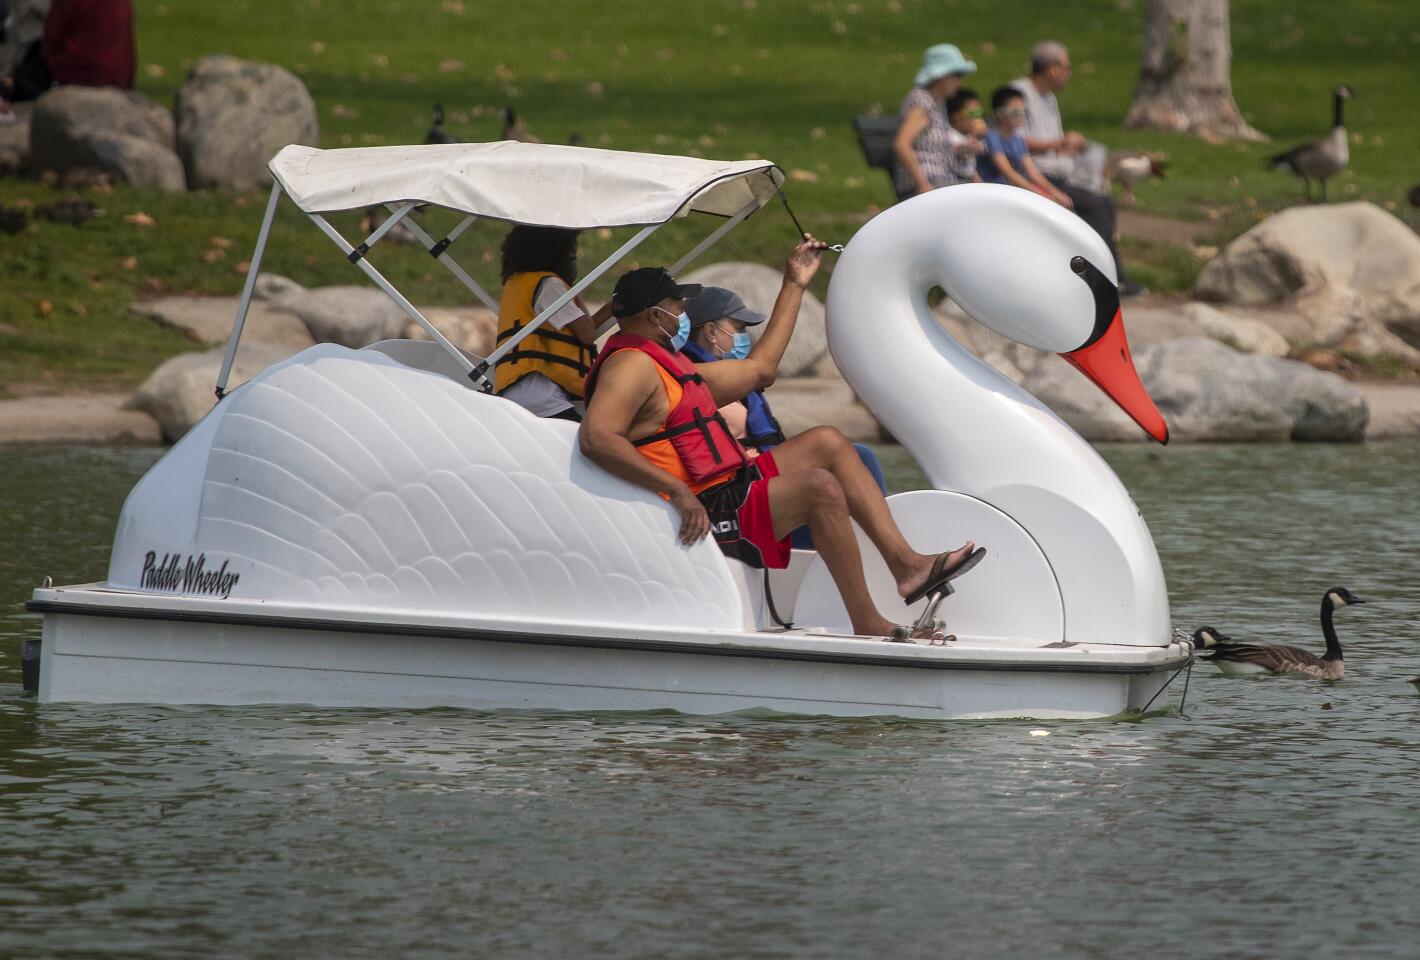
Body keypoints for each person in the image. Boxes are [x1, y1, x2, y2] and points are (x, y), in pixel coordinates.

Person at [578, 236, 986, 642]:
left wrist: (794, 282)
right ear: (656, 315)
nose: (683, 315)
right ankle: (865, 618)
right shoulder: (629, 365)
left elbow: (761, 369)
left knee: (827, 441)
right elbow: (596, 438)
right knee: (819, 488)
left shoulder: (664, 365)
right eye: (678, 307)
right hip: (700, 506)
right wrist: (676, 492)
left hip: (726, 487)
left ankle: (907, 566)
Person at [681, 286, 889, 549]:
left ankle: (879, 543)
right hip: (739, 492)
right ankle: (875, 549)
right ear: (711, 332)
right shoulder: (694, 377)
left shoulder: (731, 373)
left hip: (760, 473)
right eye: (738, 327)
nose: (745, 336)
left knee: (859, 456)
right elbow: (764, 370)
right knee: (834, 454)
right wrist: (794, 283)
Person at [1011, 41, 1141, 295]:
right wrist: (1060, 143)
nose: (1069, 73)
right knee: (1092, 204)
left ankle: (1113, 274)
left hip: (1057, 168)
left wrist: (1069, 145)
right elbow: (1015, 141)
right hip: (1035, 173)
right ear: (1051, 69)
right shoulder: (1019, 94)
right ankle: (1106, 278)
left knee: (1103, 201)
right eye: (1066, 67)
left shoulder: (1048, 98)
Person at [493, 225, 610, 422]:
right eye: (570, 248)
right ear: (554, 250)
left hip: (515, 390)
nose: (573, 254)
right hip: (539, 396)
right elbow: (587, 333)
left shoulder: (517, 282)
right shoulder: (549, 285)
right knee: (592, 439)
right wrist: (611, 308)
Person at [890, 43, 977, 203]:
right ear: (940, 76)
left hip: (944, 180)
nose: (959, 82)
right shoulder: (922, 102)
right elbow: (902, 143)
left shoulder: (938, 103)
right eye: (956, 75)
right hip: (927, 184)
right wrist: (922, 184)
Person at [980, 86, 1072, 208]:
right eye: (1016, 112)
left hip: (1011, 189)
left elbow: (1032, 171)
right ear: (999, 114)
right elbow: (1008, 172)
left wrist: (1054, 192)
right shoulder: (992, 137)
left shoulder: (1017, 139)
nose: (1021, 116)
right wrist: (1039, 194)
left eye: (1024, 111)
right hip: (994, 191)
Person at [944, 88, 987, 184]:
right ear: (955, 117)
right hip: (953, 180)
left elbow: (971, 166)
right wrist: (973, 137)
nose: (977, 117)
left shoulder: (967, 135)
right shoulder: (950, 134)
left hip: (968, 179)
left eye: (979, 112)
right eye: (972, 113)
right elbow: (956, 147)